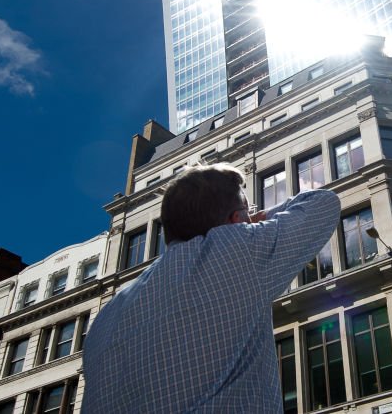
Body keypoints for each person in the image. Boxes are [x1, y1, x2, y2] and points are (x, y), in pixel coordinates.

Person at [81, 163, 341, 414]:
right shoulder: (234, 252)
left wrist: (243, 220)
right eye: (248, 211)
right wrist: (252, 223)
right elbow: (322, 203)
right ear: (237, 219)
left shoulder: (106, 317)